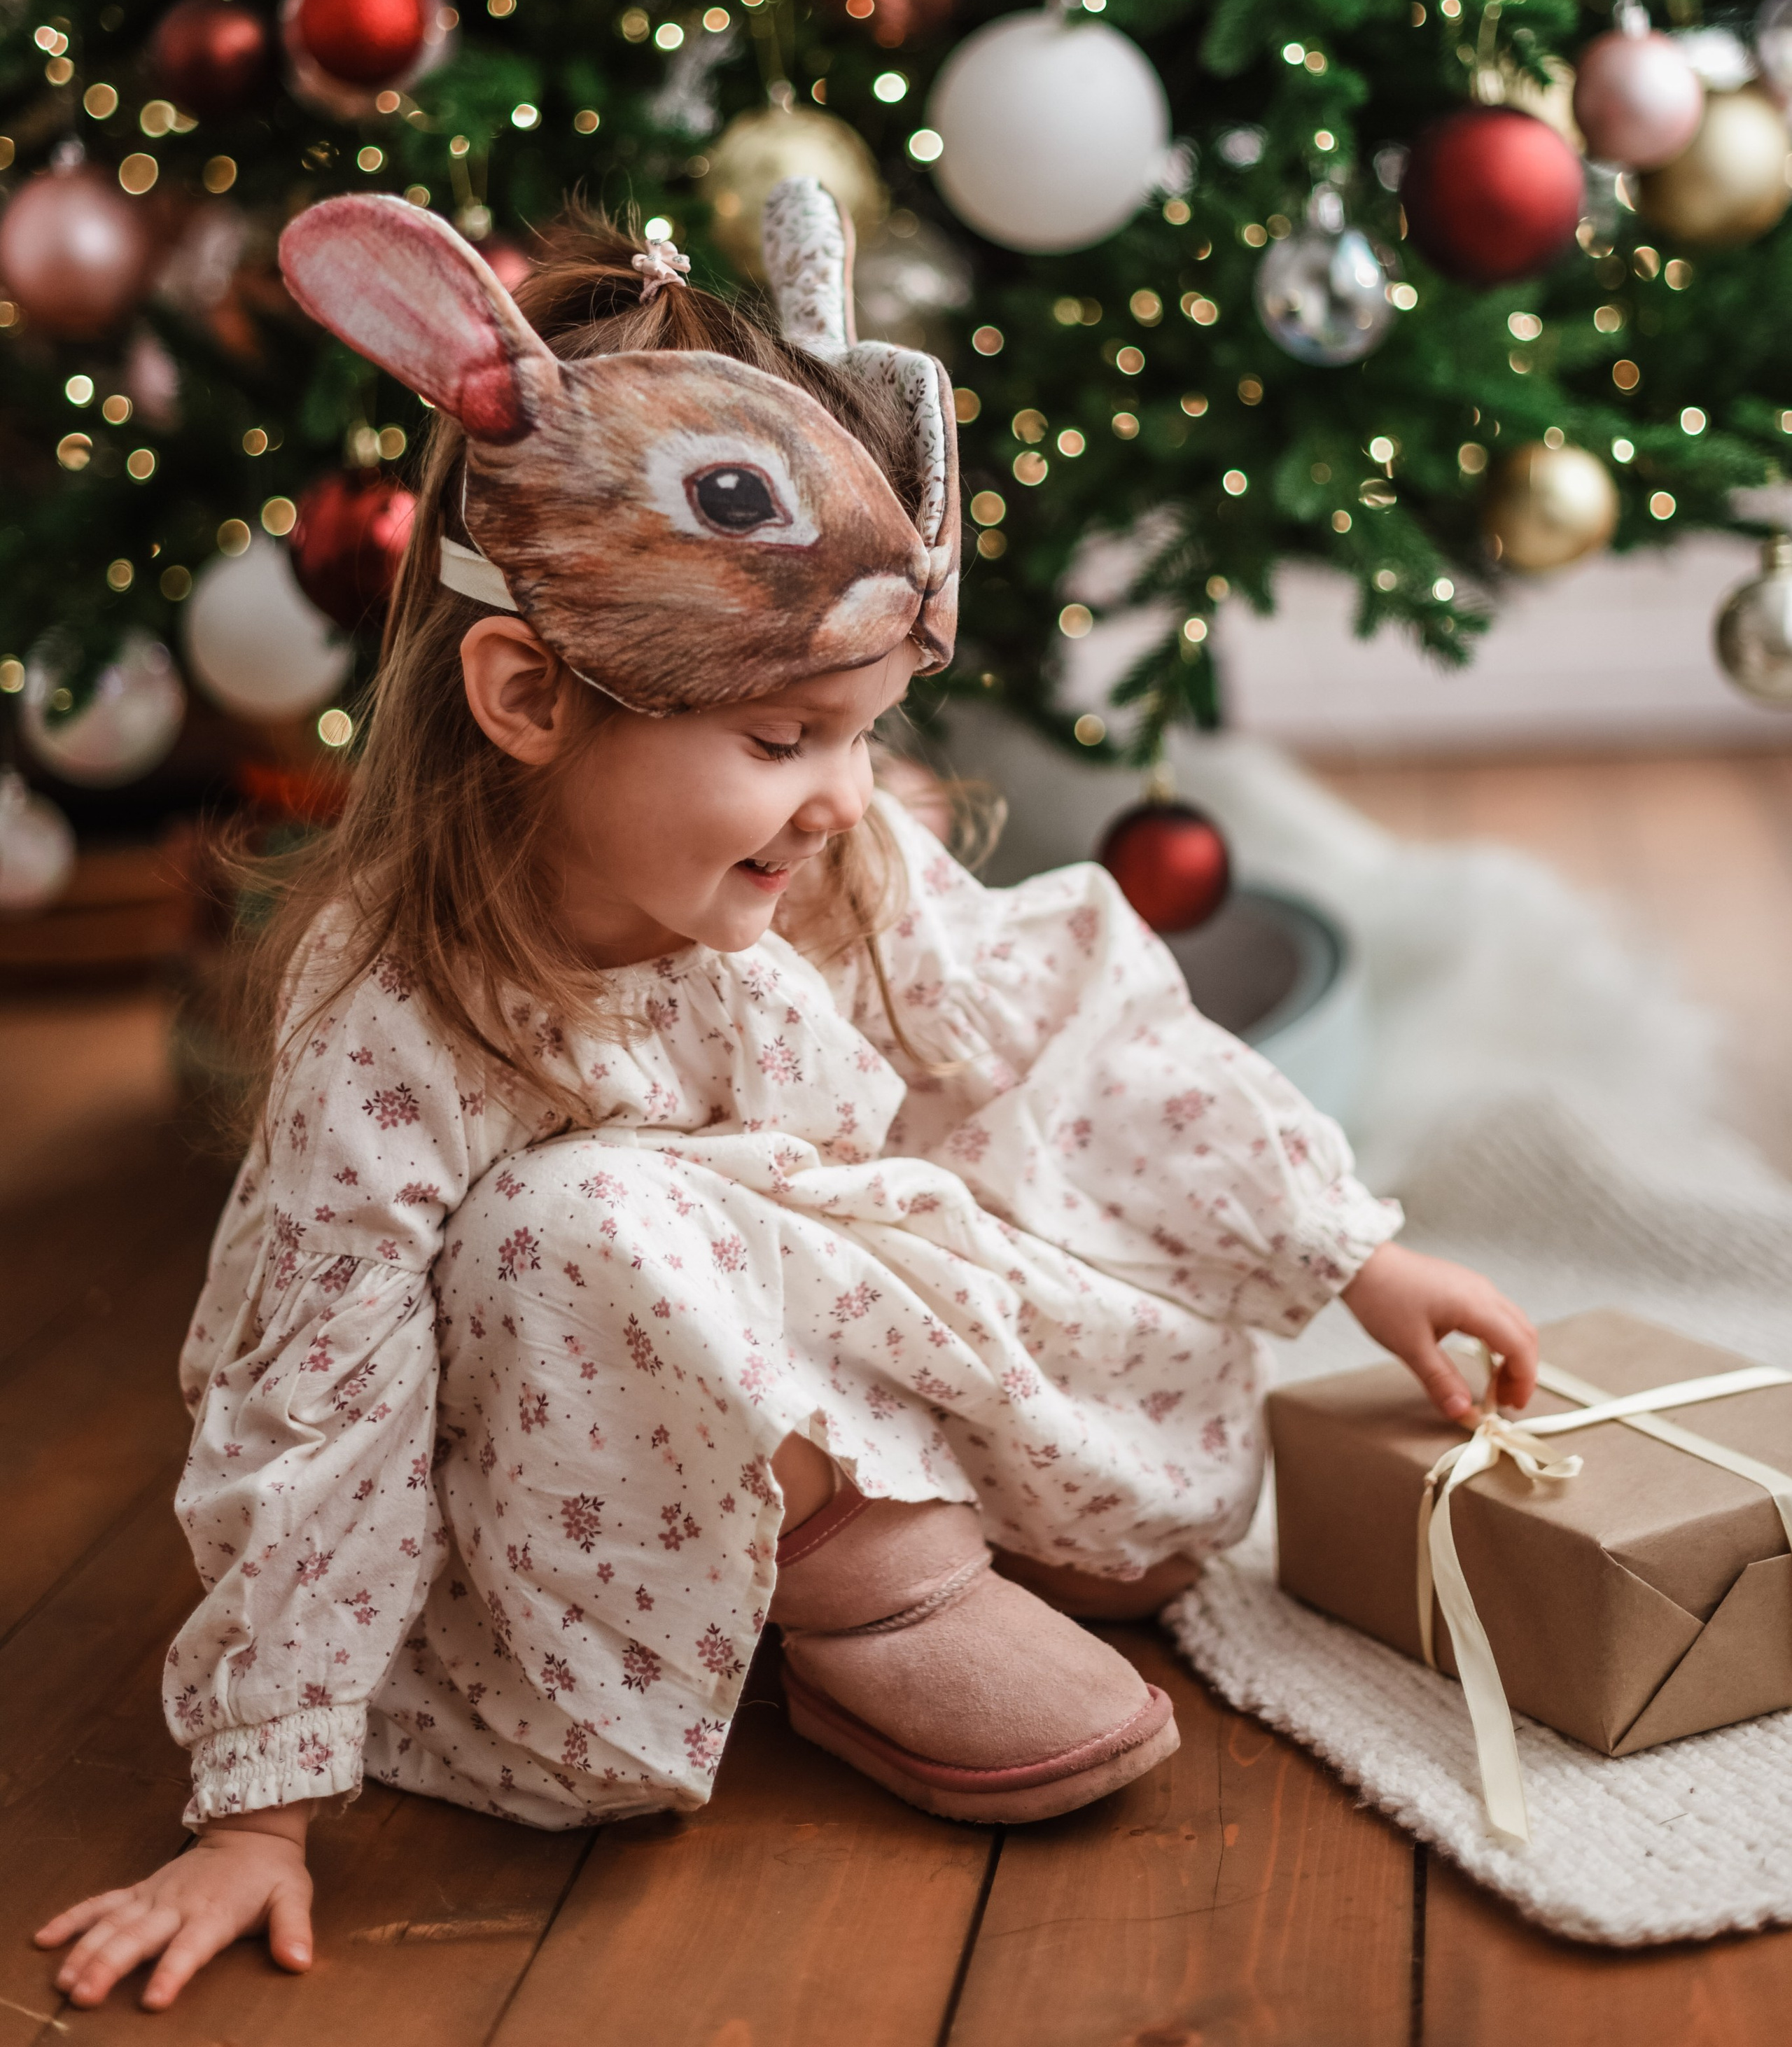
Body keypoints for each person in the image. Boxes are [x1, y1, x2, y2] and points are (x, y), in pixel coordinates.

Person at [37, 180, 1536, 2012]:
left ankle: (957, 1505)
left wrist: (1352, 1253)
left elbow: (1092, 1040)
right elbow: (320, 1384)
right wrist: (259, 1805)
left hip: (843, 1312)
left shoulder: (835, 858)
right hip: (581, 1457)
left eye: (860, 729)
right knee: (575, 1214)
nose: (841, 792)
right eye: (775, 741)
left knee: (1015, 1099)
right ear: (525, 695)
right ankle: (864, 1582)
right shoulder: (402, 1008)